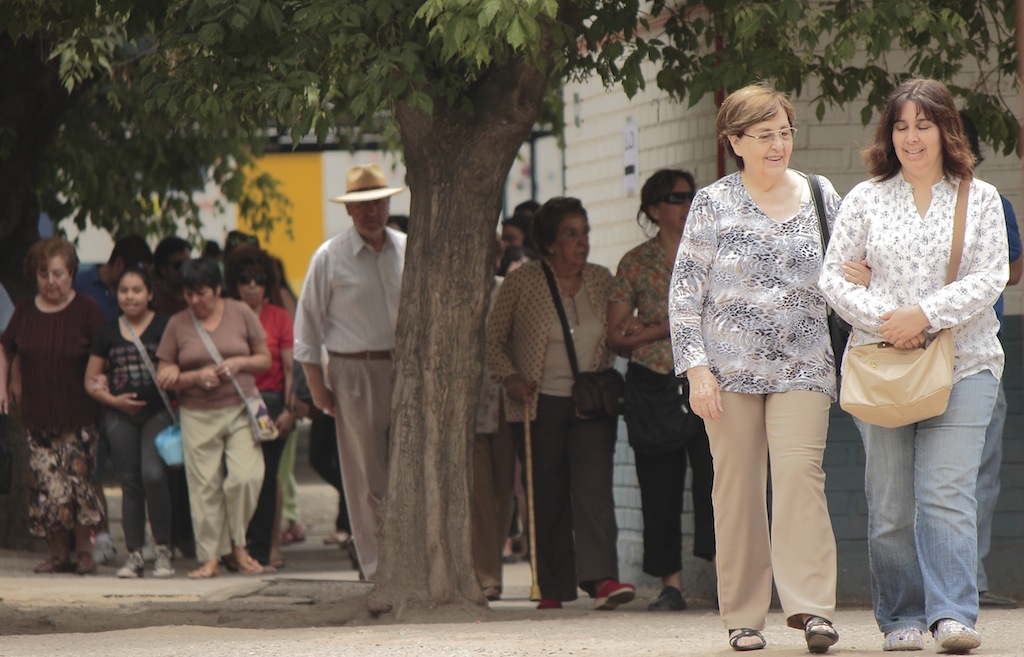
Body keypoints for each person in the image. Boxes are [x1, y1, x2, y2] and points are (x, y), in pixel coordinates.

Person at [819, 79, 1008, 653]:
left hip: (967, 362)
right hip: (883, 365)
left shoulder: (981, 198)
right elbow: (832, 276)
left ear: (946, 130)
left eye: (923, 124)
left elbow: (990, 275)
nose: (911, 136)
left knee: (947, 494)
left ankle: (951, 614)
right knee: (893, 505)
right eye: (900, 126)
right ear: (888, 134)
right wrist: (887, 319)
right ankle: (899, 617)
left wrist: (921, 312)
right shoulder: (865, 199)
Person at [668, 83, 842, 652]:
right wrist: (695, 370)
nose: (777, 145)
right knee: (737, 488)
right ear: (735, 142)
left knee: (799, 479)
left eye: (784, 133)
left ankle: (811, 609)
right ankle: (743, 615)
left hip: (805, 365)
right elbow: (685, 293)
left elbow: (844, 274)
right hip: (728, 373)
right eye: (764, 135)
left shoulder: (821, 194)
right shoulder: (712, 203)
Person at [486, 196, 635, 611]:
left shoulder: (603, 280)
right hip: (538, 405)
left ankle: (601, 578)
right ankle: (552, 585)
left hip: (591, 402)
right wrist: (511, 377)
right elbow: (492, 342)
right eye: (572, 234)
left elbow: (619, 328)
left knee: (593, 490)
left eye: (584, 233)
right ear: (550, 242)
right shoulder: (522, 282)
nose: (582, 242)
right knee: (546, 492)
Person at [608, 169, 715, 612]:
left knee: (717, 482)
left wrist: (646, 330)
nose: (687, 205)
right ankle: (670, 584)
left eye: (692, 196)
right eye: (676, 198)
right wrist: (664, 328)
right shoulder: (635, 263)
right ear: (654, 209)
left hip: (706, 378)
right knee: (660, 487)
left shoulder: (714, 252)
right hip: (653, 386)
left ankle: (727, 580)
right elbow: (617, 336)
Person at [294, 162, 407, 581]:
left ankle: (407, 560)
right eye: (360, 205)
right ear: (348, 211)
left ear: (388, 202)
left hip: (404, 370)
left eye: (376, 202)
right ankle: (376, 567)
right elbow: (306, 327)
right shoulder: (329, 257)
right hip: (352, 371)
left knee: (407, 469)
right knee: (365, 477)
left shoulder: (407, 247)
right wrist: (316, 387)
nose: (370, 211)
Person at [155, 257, 271, 579]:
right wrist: (192, 377)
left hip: (240, 407)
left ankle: (238, 544)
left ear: (218, 289)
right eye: (189, 294)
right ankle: (209, 557)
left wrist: (239, 363)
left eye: (201, 293)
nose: (195, 301)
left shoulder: (241, 312)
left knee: (245, 477)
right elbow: (165, 370)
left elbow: (265, 359)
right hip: (197, 413)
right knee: (203, 486)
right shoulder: (178, 323)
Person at [0, 237, 105, 575]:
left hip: (79, 413)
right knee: (48, 488)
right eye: (44, 274)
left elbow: (105, 351)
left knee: (80, 485)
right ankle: (59, 554)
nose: (52, 281)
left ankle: (85, 552)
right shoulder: (25, 312)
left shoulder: (87, 310)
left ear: (71, 273)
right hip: (38, 414)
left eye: (58, 273)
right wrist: (3, 385)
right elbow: (5, 348)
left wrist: (102, 381)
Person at [960, 112, 1022, 610]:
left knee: (978, 469)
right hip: (914, 352)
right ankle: (963, 582)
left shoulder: (991, 203)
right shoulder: (885, 200)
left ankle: (970, 582)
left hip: (979, 352)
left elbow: (1011, 270)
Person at [84, 267, 175, 578]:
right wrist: (115, 401)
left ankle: (163, 548)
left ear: (150, 294)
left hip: (156, 414)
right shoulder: (107, 332)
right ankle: (134, 554)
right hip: (120, 415)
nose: (130, 296)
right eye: (124, 290)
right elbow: (90, 382)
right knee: (129, 482)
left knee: (152, 474)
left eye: (137, 290)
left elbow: (171, 368)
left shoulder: (165, 326)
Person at [224, 245, 296, 570]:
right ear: (234, 283)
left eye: (259, 279)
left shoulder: (279, 317)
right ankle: (236, 546)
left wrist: (291, 411)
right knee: (237, 477)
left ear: (268, 283)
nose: (252, 286)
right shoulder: (225, 316)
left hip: (269, 404)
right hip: (232, 404)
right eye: (245, 279)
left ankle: (263, 549)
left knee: (266, 476)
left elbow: (291, 369)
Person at [152, 237, 191, 316]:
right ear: (163, 269)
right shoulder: (149, 298)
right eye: (179, 265)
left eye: (189, 264)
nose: (185, 269)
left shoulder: (197, 297)